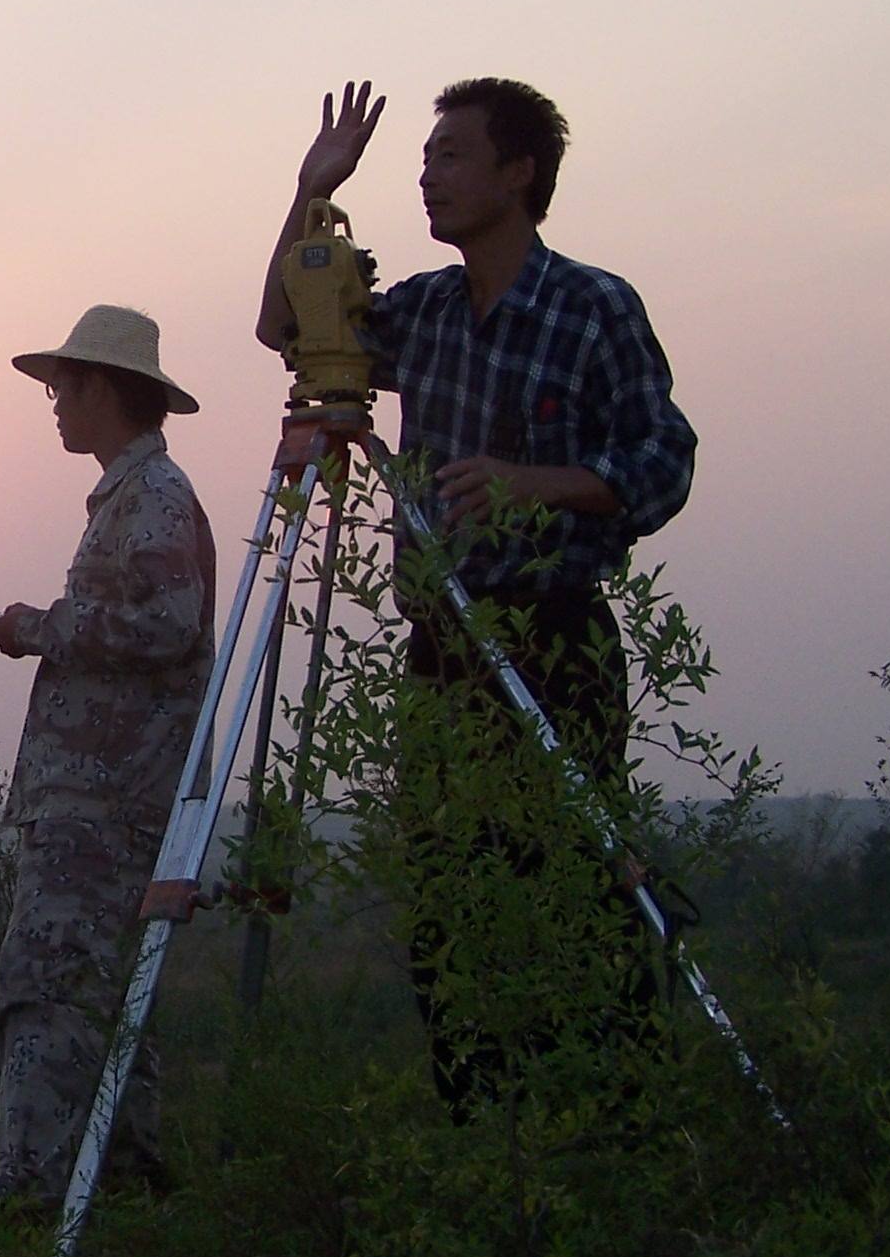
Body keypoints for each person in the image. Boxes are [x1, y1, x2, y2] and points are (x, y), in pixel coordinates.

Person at [256, 77, 696, 1110]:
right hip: (441, 648)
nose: (427, 176)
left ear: (519, 172)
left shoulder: (592, 307)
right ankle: (480, 1128)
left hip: (552, 639)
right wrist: (312, 192)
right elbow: (286, 327)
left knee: (573, 887)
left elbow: (663, 463)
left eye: (450, 155)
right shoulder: (427, 311)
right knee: (448, 900)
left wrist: (531, 484)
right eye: (424, 158)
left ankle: (611, 1124)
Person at [0, 305, 217, 1208]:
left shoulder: (153, 496)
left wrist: (42, 628)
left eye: (64, 385)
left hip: (107, 805)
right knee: (104, 1001)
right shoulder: (137, 495)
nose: (53, 402)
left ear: (105, 390)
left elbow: (166, 623)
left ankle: (32, 1198)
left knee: (48, 988)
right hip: (105, 800)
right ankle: (124, 1198)